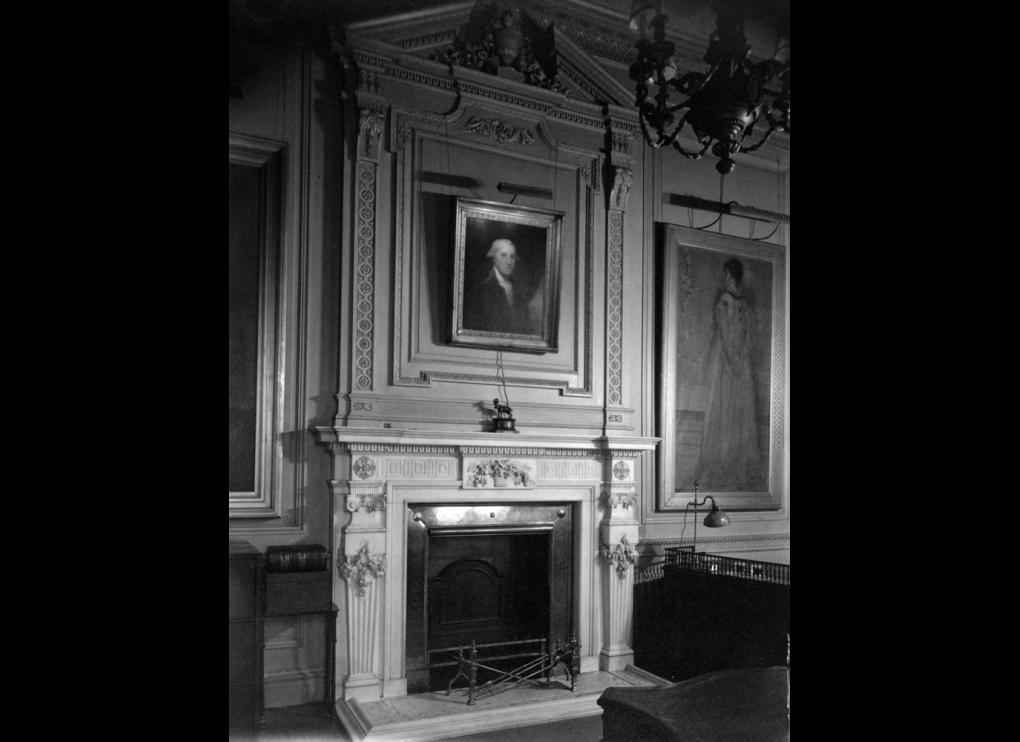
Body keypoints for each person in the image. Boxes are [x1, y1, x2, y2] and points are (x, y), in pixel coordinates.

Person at [695, 257, 765, 490]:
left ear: (728, 275)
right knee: (731, 409)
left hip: (729, 365)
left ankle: (732, 461)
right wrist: (739, 358)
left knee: (731, 409)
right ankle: (727, 460)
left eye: (724, 275)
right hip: (736, 365)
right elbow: (740, 338)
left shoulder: (727, 303)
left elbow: (728, 335)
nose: (722, 279)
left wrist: (735, 358)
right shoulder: (741, 305)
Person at [463, 238, 534, 334]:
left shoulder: (519, 292)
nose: (509, 262)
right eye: (503, 255)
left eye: (512, 256)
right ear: (494, 258)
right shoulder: (480, 291)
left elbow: (527, 328)